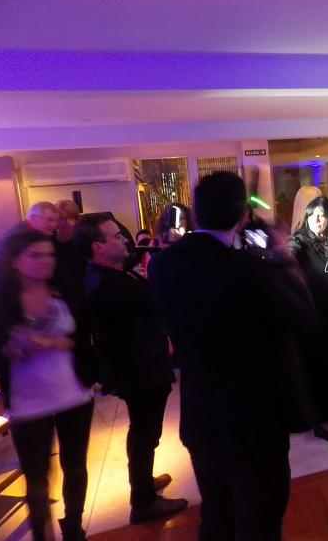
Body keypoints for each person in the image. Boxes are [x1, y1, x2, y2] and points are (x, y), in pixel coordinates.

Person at [149, 172, 315, 540]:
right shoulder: (251, 269)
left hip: (202, 412)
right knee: (260, 522)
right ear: (242, 215)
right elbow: (304, 318)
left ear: (195, 212)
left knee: (216, 516)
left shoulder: (162, 265)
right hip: (255, 419)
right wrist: (284, 258)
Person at [77, 214, 187, 524]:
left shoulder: (107, 275)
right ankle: (143, 501)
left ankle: (143, 482)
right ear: (97, 247)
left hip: (140, 365)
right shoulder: (106, 285)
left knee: (143, 431)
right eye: (115, 236)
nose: (124, 239)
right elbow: (152, 303)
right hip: (139, 369)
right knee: (144, 432)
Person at [0, 229, 95, 541]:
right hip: (28, 400)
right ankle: (43, 535)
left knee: (75, 466)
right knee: (37, 479)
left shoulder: (64, 290)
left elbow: (84, 337)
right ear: (14, 261)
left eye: (49, 254)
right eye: (35, 255)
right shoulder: (1, 302)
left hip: (73, 393)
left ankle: (73, 527)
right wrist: (10, 349)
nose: (46, 261)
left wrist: (55, 342)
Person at [289, 196, 328, 442]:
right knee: (318, 366)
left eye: (322, 215)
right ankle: (320, 419)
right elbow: (290, 253)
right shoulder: (301, 241)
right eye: (312, 215)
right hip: (313, 314)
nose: (317, 219)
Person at [54, 199, 87, 282]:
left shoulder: (81, 240)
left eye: (59, 218)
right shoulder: (52, 237)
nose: (54, 222)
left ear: (71, 219)